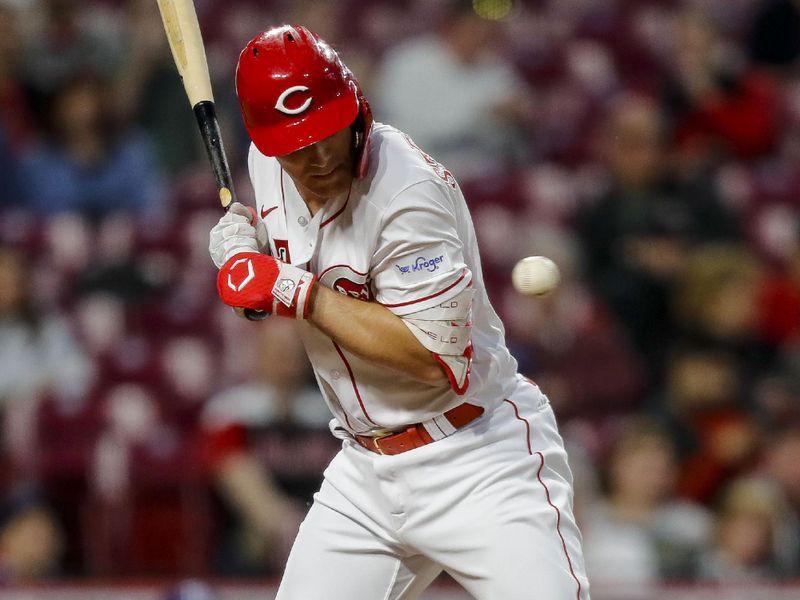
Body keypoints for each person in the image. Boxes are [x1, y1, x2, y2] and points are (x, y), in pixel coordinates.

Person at [207, 25, 589, 600]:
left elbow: (436, 361)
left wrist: (290, 289)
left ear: (355, 108)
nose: (315, 158)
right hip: (365, 472)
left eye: (326, 134)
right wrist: (243, 256)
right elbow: (275, 285)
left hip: (477, 456)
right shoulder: (265, 166)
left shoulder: (408, 192)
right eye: (294, 145)